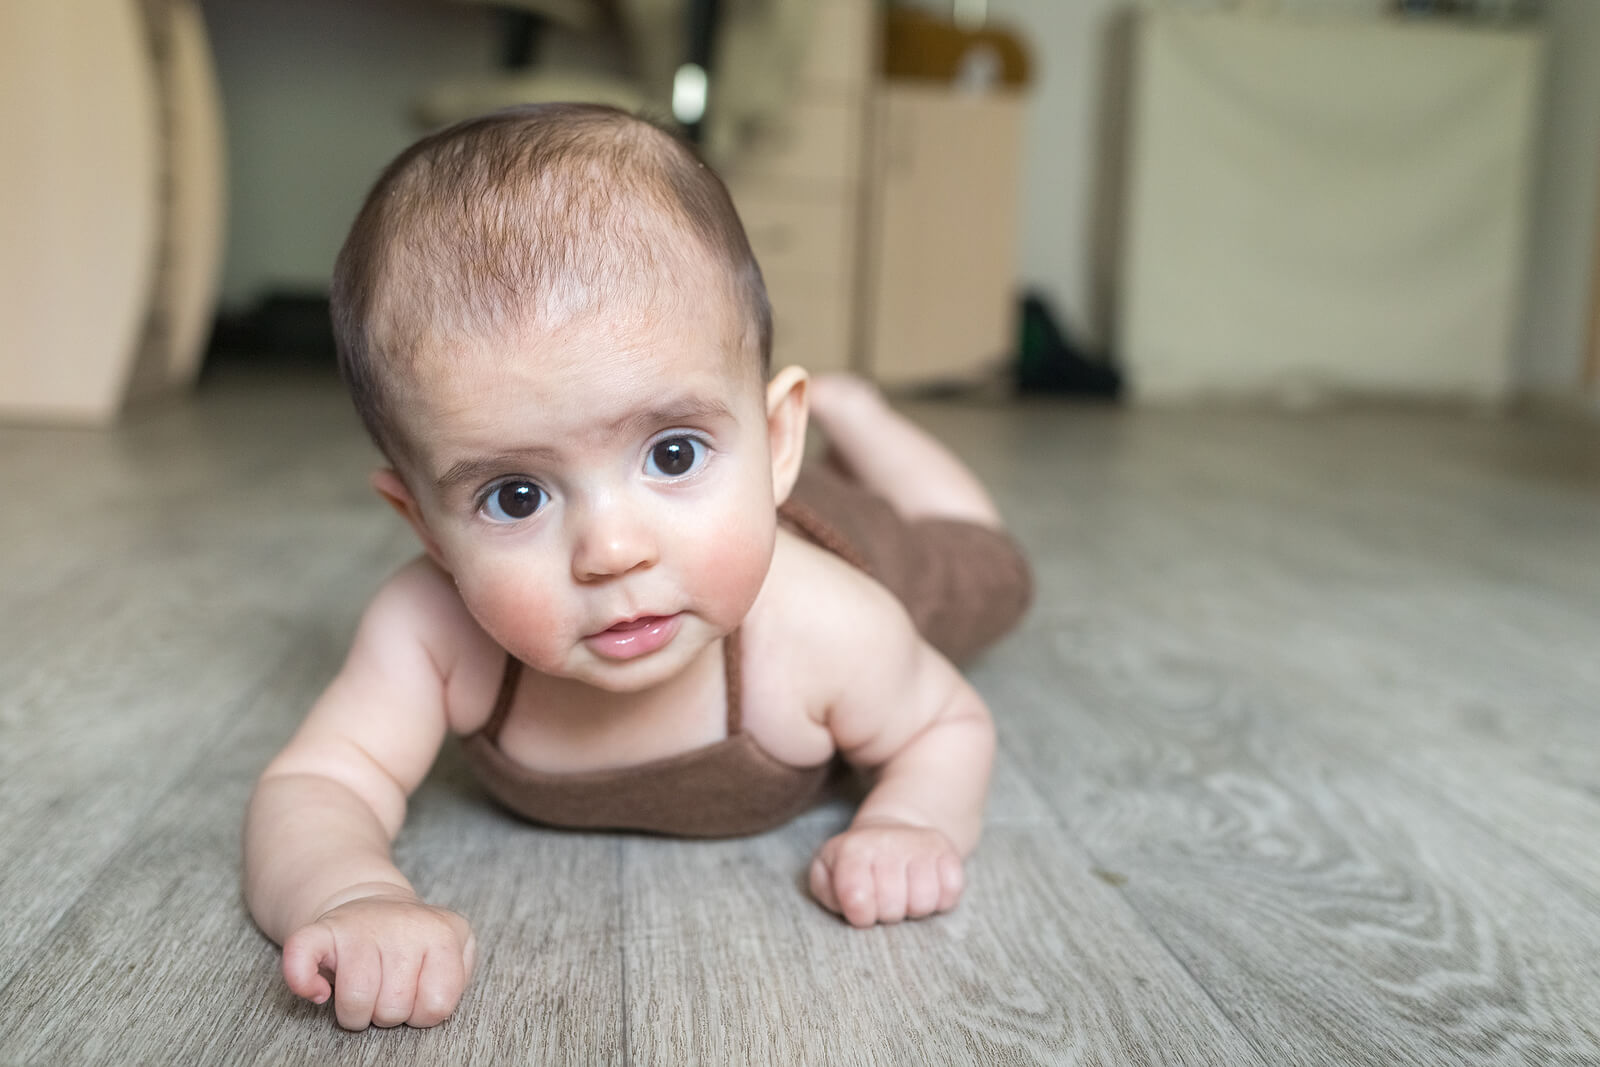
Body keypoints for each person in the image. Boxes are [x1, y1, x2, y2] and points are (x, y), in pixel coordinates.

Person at [243, 103, 1031, 1031]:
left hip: (846, 541)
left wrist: (911, 823)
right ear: (422, 524)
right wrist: (348, 893)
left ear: (778, 438)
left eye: (672, 451)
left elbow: (945, 722)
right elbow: (319, 783)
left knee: (981, 562)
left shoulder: (826, 626)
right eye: (517, 496)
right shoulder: (430, 634)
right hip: (733, 520)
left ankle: (863, 418)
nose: (614, 551)